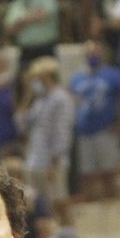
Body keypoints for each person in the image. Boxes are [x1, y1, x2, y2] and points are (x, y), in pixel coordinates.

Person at [68, 39, 120, 200]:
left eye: (95, 52)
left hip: (106, 130)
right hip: (84, 132)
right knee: (87, 174)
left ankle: (111, 205)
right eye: (89, 53)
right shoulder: (77, 78)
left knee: (108, 172)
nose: (92, 55)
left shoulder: (113, 74)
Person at [19, 56, 75, 223]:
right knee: (42, 204)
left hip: (52, 161)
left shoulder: (61, 99)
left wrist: (54, 161)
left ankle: (67, 233)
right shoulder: (39, 101)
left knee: (59, 200)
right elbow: (22, 124)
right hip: (35, 158)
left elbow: (61, 131)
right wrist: (27, 98)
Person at [4, 0, 60, 70]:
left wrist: (21, 21)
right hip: (26, 51)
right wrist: (32, 17)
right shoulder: (15, 4)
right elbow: (9, 29)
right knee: (24, 82)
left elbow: (43, 16)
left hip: (45, 48)